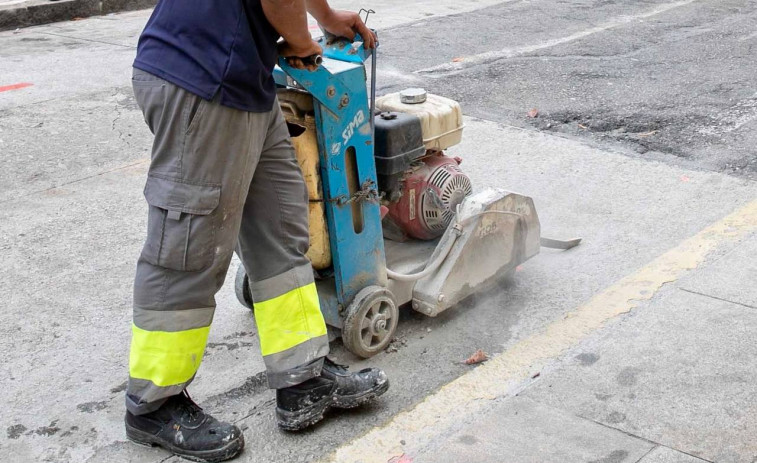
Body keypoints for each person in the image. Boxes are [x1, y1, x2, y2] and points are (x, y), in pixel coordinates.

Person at [123, 1, 387, 461]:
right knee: (191, 246)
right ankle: (153, 403)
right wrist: (305, 44)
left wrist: (324, 19)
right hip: (202, 80)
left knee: (281, 225)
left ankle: (301, 378)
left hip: (244, 81)